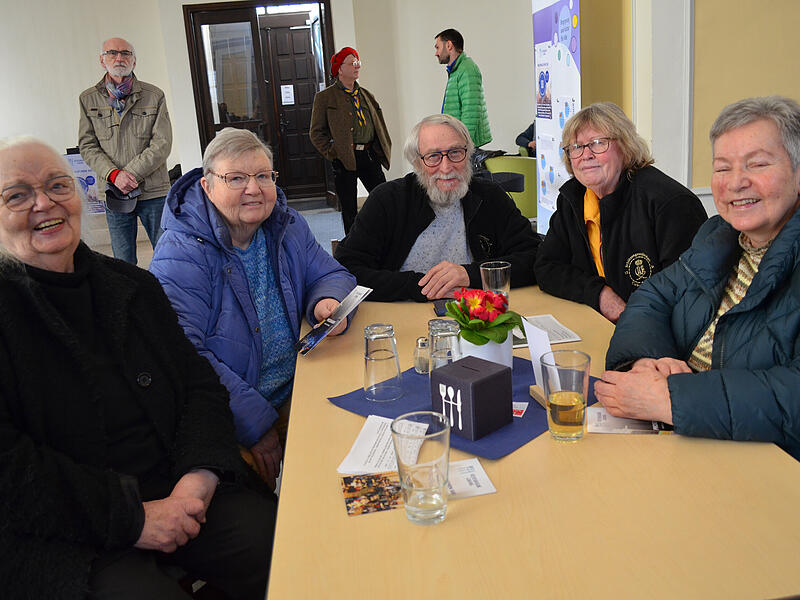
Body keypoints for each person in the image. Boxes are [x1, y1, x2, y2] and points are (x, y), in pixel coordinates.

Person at [0, 137, 276, 599]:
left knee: (283, 543)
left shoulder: (132, 285)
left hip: (179, 487)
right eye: (17, 195)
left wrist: (198, 479)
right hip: (69, 531)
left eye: (56, 186)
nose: (44, 203)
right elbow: (13, 474)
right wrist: (134, 519)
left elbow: (199, 387)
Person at [150, 128, 356, 487]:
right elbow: (180, 353)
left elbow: (332, 273)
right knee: (260, 522)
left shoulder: (285, 225)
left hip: (299, 388)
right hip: (228, 415)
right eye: (237, 178)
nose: (254, 188)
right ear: (207, 186)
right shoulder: (181, 251)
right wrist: (257, 424)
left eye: (263, 176)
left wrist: (327, 300)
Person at [597, 96, 800, 460]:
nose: (736, 182)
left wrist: (672, 399)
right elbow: (653, 296)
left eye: (757, 164)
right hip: (694, 440)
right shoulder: (719, 235)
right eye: (723, 168)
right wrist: (647, 359)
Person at [334, 114, 539, 302]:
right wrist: (418, 286)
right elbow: (348, 268)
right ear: (417, 162)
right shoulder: (387, 200)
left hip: (477, 316)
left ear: (468, 155)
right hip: (404, 314)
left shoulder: (490, 196)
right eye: (433, 157)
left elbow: (534, 257)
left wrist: (469, 274)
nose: (446, 167)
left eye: (455, 152)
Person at [534, 102, 707, 323]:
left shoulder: (670, 203)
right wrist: (600, 295)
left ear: (626, 146)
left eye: (598, 143)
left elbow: (686, 294)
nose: (586, 155)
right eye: (576, 147)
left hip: (658, 334)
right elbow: (546, 267)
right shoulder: (573, 198)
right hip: (598, 323)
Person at [79, 37, 172, 265]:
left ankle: (166, 299)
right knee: (123, 261)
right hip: (114, 192)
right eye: (112, 53)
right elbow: (87, 145)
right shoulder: (88, 99)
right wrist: (114, 175)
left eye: (125, 53)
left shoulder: (154, 95)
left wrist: (129, 174)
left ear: (134, 61)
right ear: (102, 60)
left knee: (166, 255)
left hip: (153, 191)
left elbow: (162, 143)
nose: (119, 58)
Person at [310, 47, 391, 234]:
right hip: (344, 158)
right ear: (339, 69)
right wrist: (334, 153)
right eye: (352, 63)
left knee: (385, 199)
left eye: (358, 63)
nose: (357, 67)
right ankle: (354, 248)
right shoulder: (325, 98)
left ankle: (386, 238)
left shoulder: (366, 95)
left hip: (369, 155)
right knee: (349, 209)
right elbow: (316, 133)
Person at [435, 28, 492, 147]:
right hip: (457, 141)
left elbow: (471, 112)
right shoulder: (457, 70)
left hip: (465, 145)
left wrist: (463, 145)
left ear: (449, 45)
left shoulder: (467, 69)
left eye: (438, 47)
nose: (436, 53)